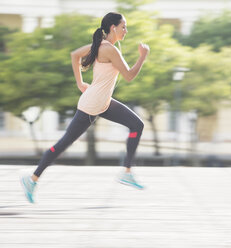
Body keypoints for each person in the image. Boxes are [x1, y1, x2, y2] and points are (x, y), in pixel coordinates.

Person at [20, 12, 150, 203]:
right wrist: (142, 57)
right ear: (113, 28)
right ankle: (32, 179)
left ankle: (127, 171)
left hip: (102, 102)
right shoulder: (110, 50)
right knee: (63, 144)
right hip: (92, 105)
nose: (126, 31)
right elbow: (129, 76)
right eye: (124, 27)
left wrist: (81, 84)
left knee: (137, 125)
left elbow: (75, 55)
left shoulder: (100, 46)